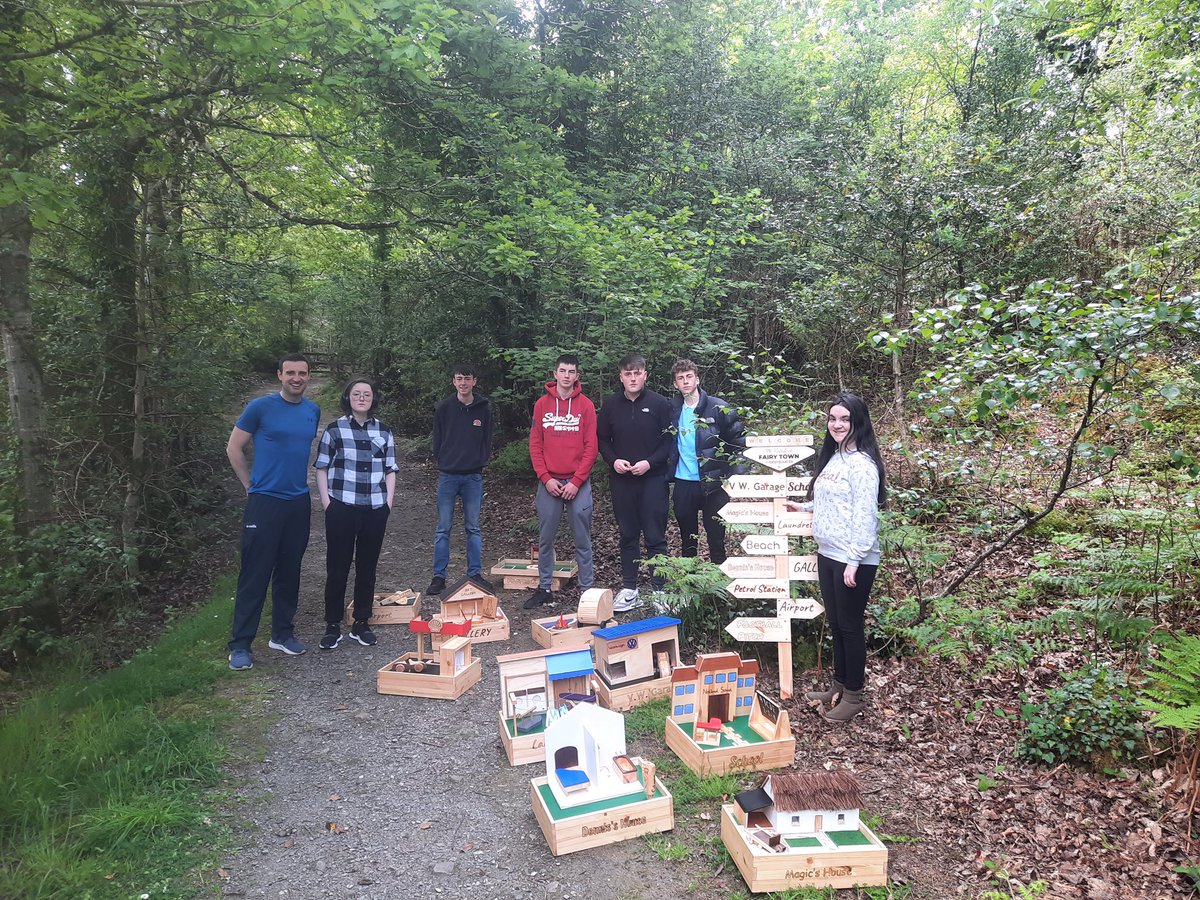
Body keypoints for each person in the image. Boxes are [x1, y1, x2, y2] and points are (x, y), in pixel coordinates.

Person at [785, 392, 885, 722]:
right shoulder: (835, 457)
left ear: (858, 421)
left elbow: (865, 514)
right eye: (832, 418)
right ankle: (838, 685)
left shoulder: (862, 465)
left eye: (844, 419)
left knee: (851, 626)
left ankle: (854, 695)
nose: (837, 424)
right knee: (838, 626)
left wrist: (855, 560)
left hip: (852, 559)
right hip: (828, 553)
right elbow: (832, 500)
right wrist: (805, 507)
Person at [225, 353, 321, 670]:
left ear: (308, 376)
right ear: (280, 375)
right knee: (255, 573)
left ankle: (281, 633)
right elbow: (234, 447)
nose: (297, 378)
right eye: (290, 372)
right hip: (265, 500)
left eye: (302, 373)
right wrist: (249, 485)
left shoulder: (312, 410)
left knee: (289, 571)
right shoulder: (260, 408)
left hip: (298, 501)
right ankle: (240, 645)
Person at [314, 379, 398, 650]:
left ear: (373, 400)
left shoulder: (384, 432)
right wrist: (327, 502)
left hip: (374, 508)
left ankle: (361, 622)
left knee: (367, 567)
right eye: (356, 394)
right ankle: (332, 624)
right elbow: (322, 467)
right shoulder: (334, 430)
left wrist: (388, 502)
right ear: (348, 398)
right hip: (341, 506)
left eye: (367, 395)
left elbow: (391, 469)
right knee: (337, 567)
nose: (361, 398)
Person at [596, 353, 674, 612]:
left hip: (653, 479)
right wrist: (614, 461)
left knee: (655, 536)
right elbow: (603, 440)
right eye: (627, 374)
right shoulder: (610, 405)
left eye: (637, 373)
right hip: (622, 480)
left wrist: (649, 463)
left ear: (645, 375)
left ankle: (660, 592)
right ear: (621, 377)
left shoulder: (660, 404)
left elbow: (668, 442)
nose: (632, 378)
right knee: (628, 535)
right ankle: (630, 589)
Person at [525, 354, 598, 609]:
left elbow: (591, 447)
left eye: (572, 372)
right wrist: (545, 478)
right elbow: (535, 445)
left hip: (578, 484)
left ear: (577, 376)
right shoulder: (542, 405)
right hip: (550, 483)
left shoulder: (586, 406)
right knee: (545, 538)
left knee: (583, 538)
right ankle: (544, 587)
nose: (567, 376)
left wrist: (577, 482)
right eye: (563, 371)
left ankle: (587, 590)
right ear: (555, 373)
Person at [667, 359, 746, 566]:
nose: (685, 382)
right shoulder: (671, 410)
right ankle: (691, 589)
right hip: (684, 483)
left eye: (689, 377)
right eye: (680, 378)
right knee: (688, 540)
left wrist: (733, 477)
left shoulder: (718, 408)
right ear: (675, 384)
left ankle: (718, 589)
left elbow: (738, 442)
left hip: (714, 483)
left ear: (697, 378)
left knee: (716, 539)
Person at [427, 364, 493, 596]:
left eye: (467, 378)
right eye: (459, 378)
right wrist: (444, 460)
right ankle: (439, 577)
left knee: (473, 527)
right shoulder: (444, 408)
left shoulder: (483, 408)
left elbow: (487, 438)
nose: (463, 383)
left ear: (474, 381)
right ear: (453, 381)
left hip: (473, 476)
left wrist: (480, 460)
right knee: (443, 528)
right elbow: (437, 439)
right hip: (448, 475)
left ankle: (474, 573)